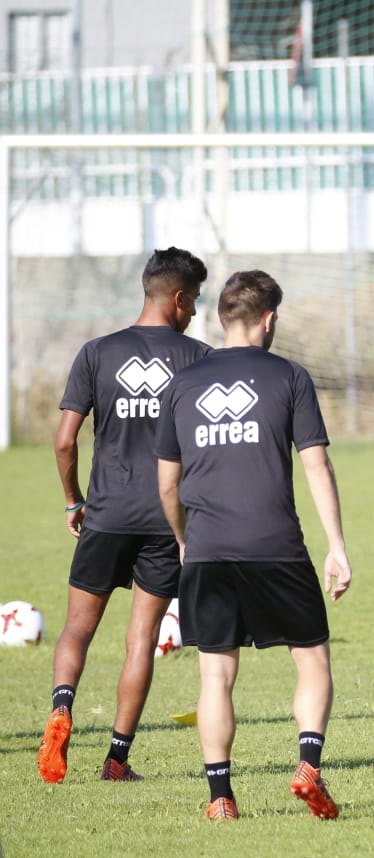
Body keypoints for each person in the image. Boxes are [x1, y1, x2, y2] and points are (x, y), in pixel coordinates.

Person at [155, 270, 352, 821]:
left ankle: (221, 798)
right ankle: (308, 765)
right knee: (311, 659)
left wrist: (184, 540)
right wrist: (336, 546)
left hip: (209, 548)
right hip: (277, 546)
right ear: (269, 320)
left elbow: (167, 484)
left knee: (216, 674)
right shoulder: (290, 377)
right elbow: (317, 464)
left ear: (220, 319)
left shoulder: (183, 384)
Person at [37, 247, 212, 785]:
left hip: (105, 514)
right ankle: (116, 759)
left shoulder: (95, 352)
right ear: (179, 299)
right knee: (142, 639)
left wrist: (74, 502)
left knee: (76, 627)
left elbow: (65, 441)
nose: (197, 313)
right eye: (196, 302)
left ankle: (62, 707)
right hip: (166, 521)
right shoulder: (199, 358)